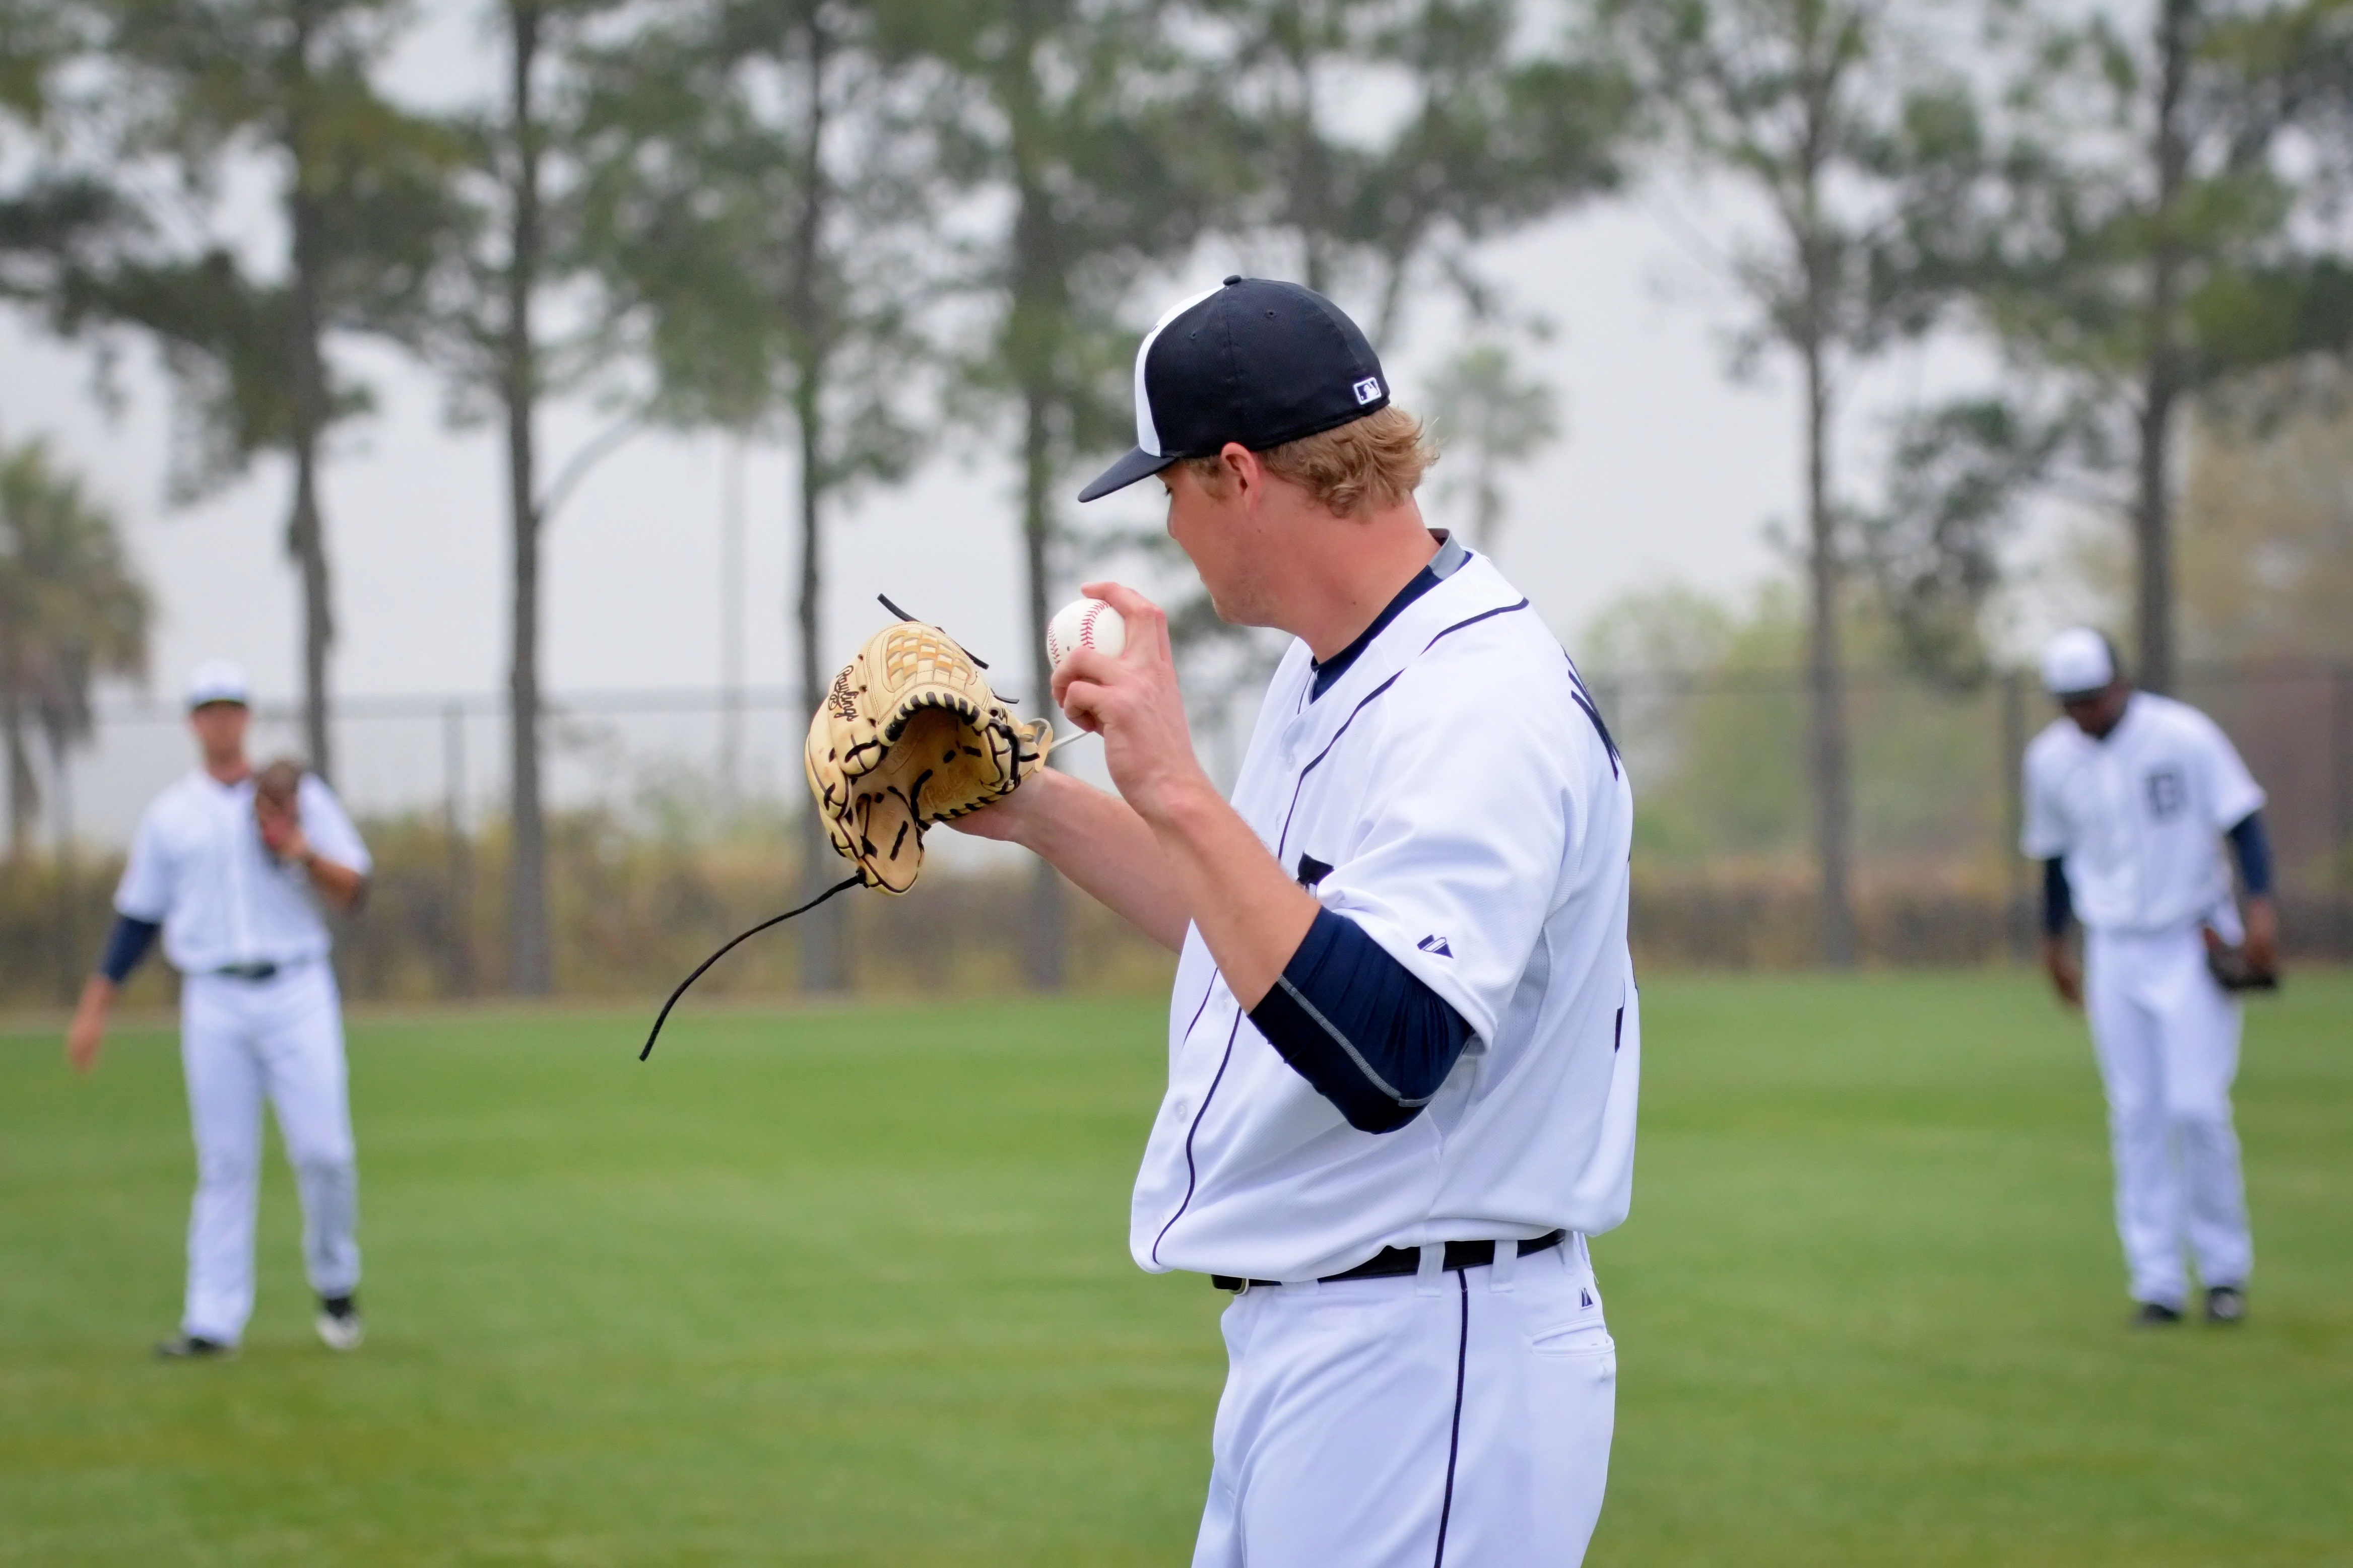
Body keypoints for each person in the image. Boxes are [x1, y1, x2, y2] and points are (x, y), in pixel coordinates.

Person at [957, 277, 1638, 1566]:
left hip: (1435, 1356)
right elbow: (1265, 942)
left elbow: (1388, 1046)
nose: (1170, 524)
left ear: (1238, 475)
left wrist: (1168, 781)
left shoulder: (1476, 705)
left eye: (1168, 490)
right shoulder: (1338, 669)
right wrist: (1031, 805)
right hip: (1340, 1352)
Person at [66, 660, 374, 1357]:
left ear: (247, 717)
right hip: (213, 996)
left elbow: (355, 888)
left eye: (231, 707)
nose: (221, 720)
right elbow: (137, 918)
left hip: (297, 987)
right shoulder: (172, 815)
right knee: (225, 1161)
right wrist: (95, 1004)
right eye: (209, 709)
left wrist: (298, 847)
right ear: (192, 722)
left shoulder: (297, 797)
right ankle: (212, 1321)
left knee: (326, 1152)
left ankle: (335, 1280)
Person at [2022, 627, 2276, 1326]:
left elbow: (2243, 821)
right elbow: (2051, 859)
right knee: (2134, 1114)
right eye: (2069, 702)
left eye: (2092, 698)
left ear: (2119, 684)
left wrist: (2259, 908)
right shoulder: (2048, 761)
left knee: (2195, 1106)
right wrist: (2053, 944)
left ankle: (2223, 1273)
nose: (2083, 713)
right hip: (2113, 948)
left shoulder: (2182, 734)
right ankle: (2156, 1281)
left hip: (2191, 937)